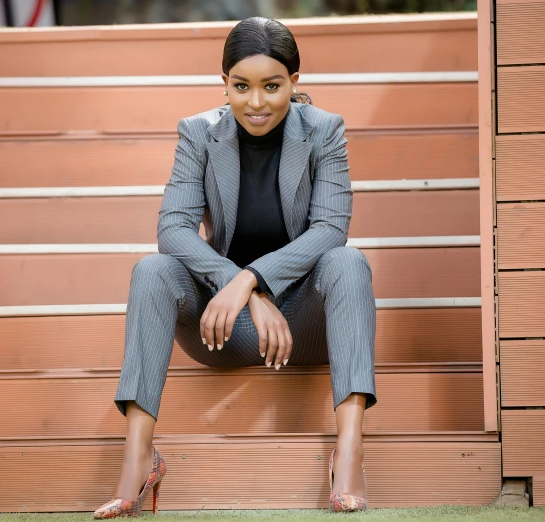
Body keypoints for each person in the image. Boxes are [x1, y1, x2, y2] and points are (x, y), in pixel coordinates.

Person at [94, 16, 377, 519]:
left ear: (294, 81)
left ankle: (349, 452)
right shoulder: (199, 134)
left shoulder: (325, 131)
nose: (256, 102)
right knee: (152, 269)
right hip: (220, 326)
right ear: (223, 84)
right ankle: (138, 457)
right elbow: (173, 228)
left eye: (272, 86)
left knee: (348, 262)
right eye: (241, 86)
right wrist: (235, 284)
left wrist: (253, 278)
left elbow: (331, 227)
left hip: (303, 324)